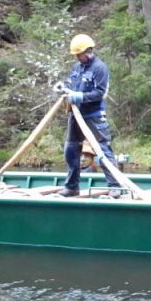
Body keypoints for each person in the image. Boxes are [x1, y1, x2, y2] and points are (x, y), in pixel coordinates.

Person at [54, 33, 124, 199]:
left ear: (88, 51)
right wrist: (63, 88)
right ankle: (72, 187)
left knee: (103, 150)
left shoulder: (100, 68)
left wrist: (79, 97)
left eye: (79, 54)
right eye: (76, 55)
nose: (77, 57)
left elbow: (100, 93)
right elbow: (71, 84)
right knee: (71, 150)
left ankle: (115, 187)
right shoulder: (77, 67)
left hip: (94, 115)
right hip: (76, 115)